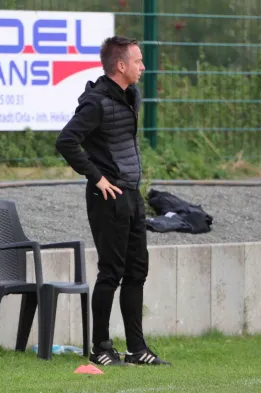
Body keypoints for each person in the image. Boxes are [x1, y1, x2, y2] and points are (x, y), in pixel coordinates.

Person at [55, 36, 170, 366]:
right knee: (111, 272)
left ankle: (136, 349)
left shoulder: (132, 94)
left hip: (132, 196)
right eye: (138, 61)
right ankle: (101, 348)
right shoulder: (95, 103)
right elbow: (66, 141)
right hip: (107, 198)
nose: (143, 67)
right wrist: (98, 177)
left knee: (137, 271)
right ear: (121, 66)